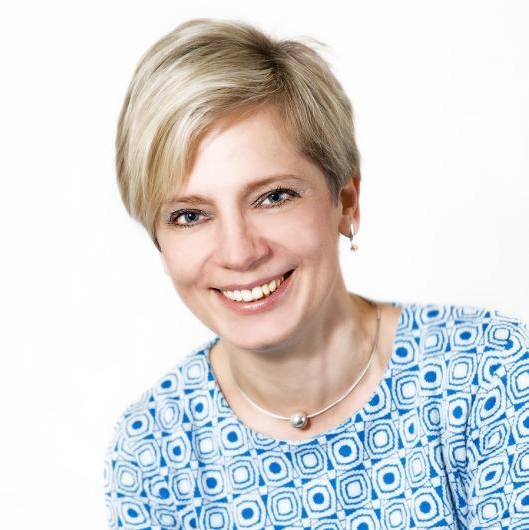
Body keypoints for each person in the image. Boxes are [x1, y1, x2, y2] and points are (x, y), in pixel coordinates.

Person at [104, 18, 529, 529]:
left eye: (273, 197)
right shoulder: (152, 452)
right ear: (159, 241)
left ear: (345, 200)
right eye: (190, 215)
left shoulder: (492, 374)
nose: (239, 253)